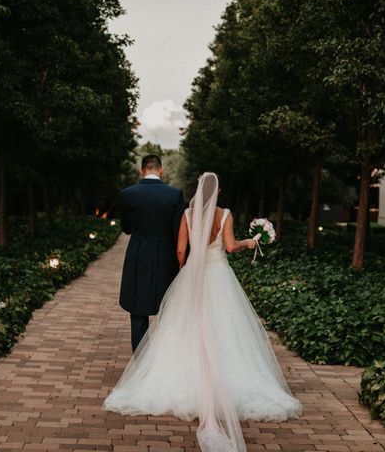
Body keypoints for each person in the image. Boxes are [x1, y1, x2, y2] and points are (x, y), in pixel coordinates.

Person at [104, 172, 302, 452]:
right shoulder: (226, 215)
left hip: (193, 276)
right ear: (218, 191)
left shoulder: (187, 214)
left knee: (183, 328)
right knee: (225, 329)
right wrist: (250, 242)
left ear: (198, 189)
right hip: (219, 275)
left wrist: (184, 271)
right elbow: (231, 247)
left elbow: (181, 249)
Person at [118, 154, 186, 352]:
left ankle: (140, 363)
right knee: (167, 309)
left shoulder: (127, 194)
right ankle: (163, 359)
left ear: (142, 170)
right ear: (161, 170)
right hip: (166, 258)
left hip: (138, 257)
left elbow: (127, 228)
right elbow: (177, 231)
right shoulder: (175, 195)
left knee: (138, 311)